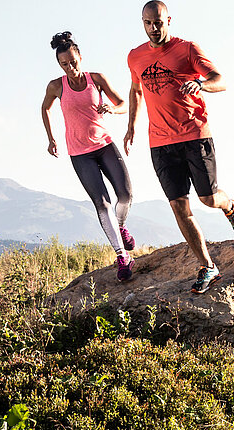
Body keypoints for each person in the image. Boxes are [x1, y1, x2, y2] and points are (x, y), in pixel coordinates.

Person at [125, 1, 234, 294]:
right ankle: (208, 267)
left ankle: (230, 207)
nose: (154, 28)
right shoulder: (135, 57)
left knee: (207, 198)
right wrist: (131, 126)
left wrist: (201, 85)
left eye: (159, 22)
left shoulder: (187, 49)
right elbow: (135, 90)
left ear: (168, 20)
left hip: (194, 135)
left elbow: (221, 80)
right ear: (142, 23)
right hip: (160, 142)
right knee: (179, 205)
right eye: (148, 23)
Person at [40, 31, 137, 282]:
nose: (70, 68)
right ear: (59, 65)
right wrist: (51, 138)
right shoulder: (56, 86)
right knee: (102, 203)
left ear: (80, 57)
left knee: (125, 194)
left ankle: (121, 226)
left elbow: (123, 103)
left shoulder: (97, 79)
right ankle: (122, 257)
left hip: (104, 145)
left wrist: (112, 109)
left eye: (73, 61)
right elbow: (45, 108)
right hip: (79, 153)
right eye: (64, 64)